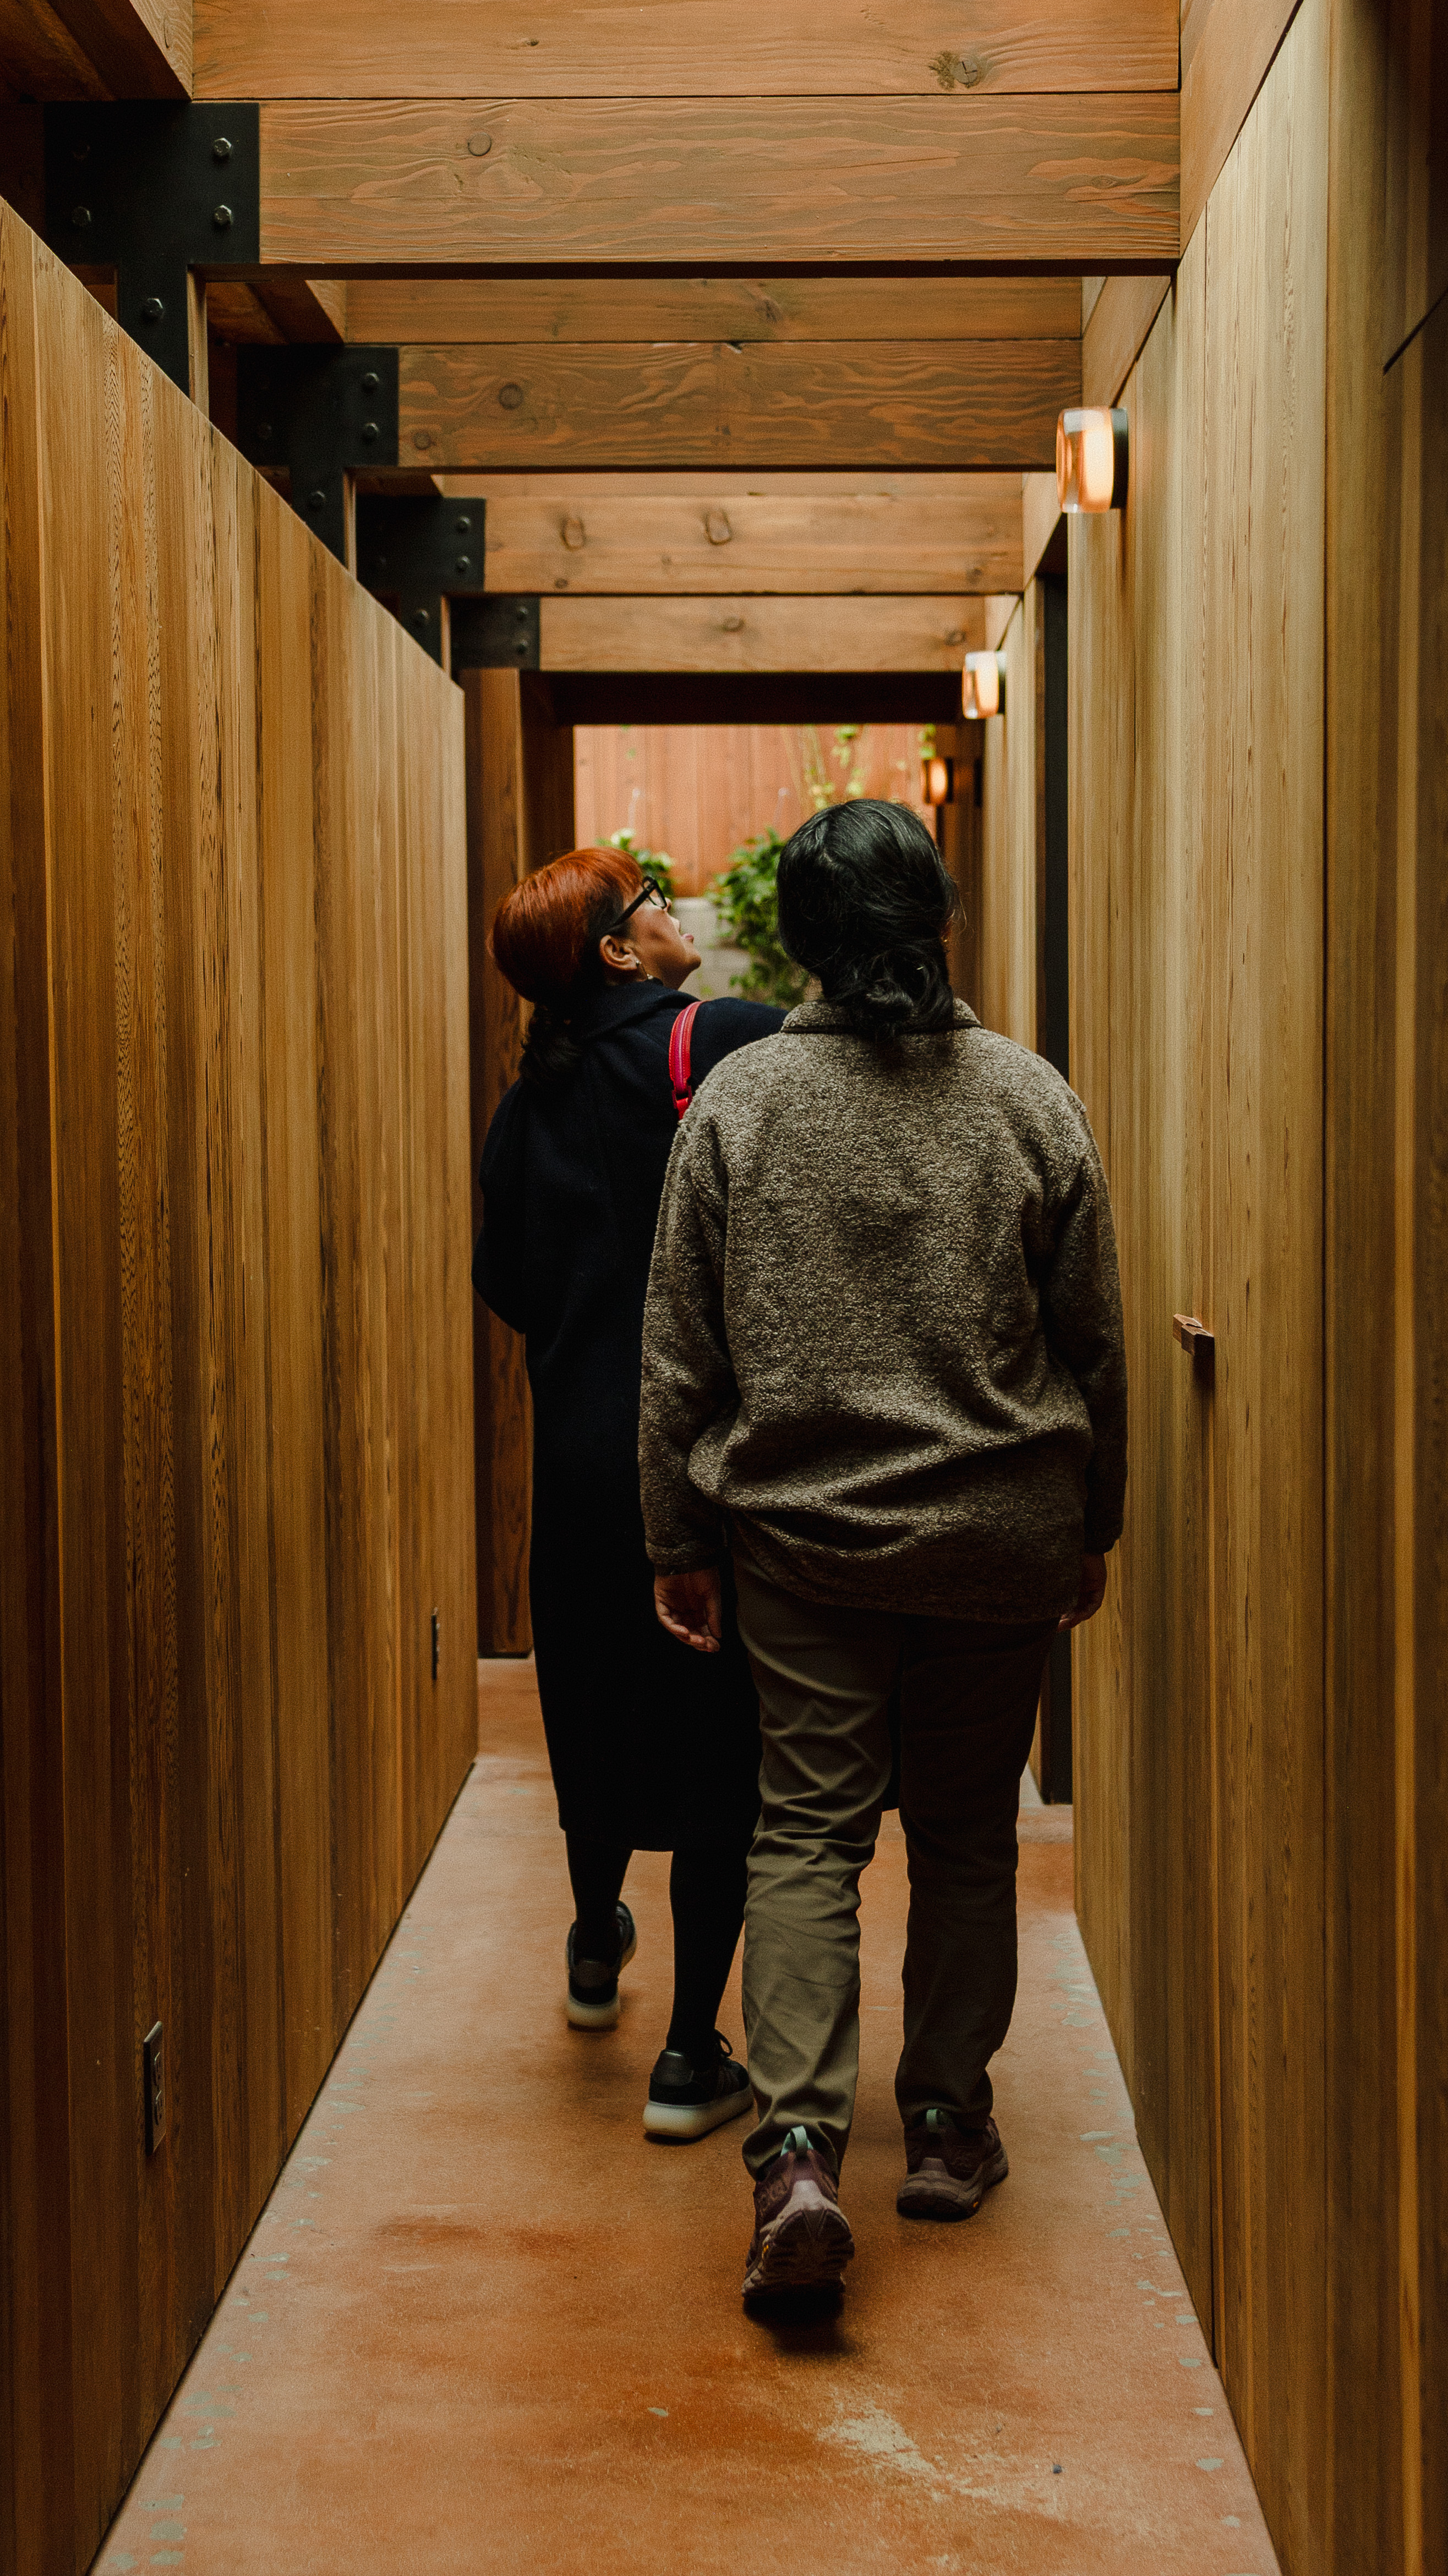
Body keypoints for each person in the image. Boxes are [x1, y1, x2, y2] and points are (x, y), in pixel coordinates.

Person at [638, 797, 1126, 2298]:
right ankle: (942, 2122)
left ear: (801, 939)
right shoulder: (1029, 1100)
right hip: (996, 1534)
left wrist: (677, 1530)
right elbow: (1094, 1348)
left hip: (805, 1538)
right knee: (969, 1832)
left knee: (807, 1832)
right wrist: (1088, 1525)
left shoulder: (739, 1105)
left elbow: (679, 1346)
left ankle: (792, 2145)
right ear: (939, 921)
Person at [473, 846, 788, 2139]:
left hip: (577, 1457)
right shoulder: (725, 1038)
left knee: (593, 1698)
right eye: (649, 899)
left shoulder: (522, 1102)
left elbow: (503, 1282)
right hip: (704, 1452)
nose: (670, 911)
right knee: (719, 1736)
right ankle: (687, 2054)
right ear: (616, 950)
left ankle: (594, 1946)